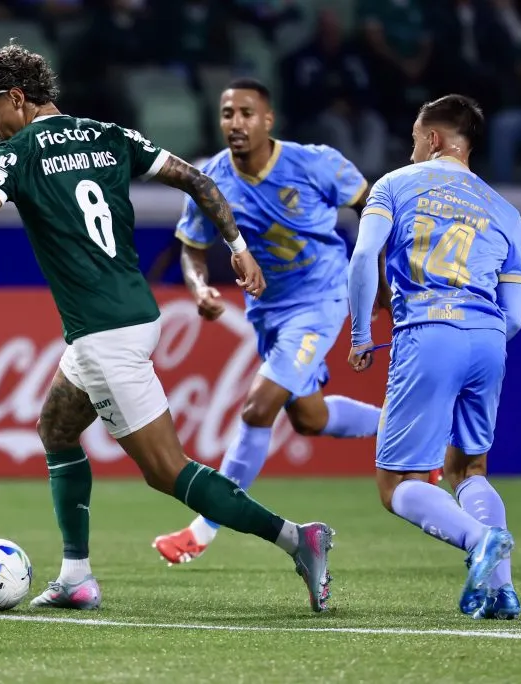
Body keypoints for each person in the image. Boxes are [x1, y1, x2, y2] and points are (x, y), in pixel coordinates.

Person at [0, 44, 336, 613]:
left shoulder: (18, 152)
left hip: (108, 335)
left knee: (167, 472)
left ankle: (299, 539)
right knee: (55, 428)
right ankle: (76, 576)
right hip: (122, 320)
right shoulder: (109, 135)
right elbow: (198, 180)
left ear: (18, 99)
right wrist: (238, 247)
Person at [152, 78, 394, 566]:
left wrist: (379, 285)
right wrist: (200, 289)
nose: (235, 123)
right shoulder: (210, 179)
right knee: (310, 418)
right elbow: (193, 250)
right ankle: (403, 426)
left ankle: (203, 529)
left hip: (322, 299)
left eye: (246, 113)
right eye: (227, 114)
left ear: (268, 120)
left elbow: (373, 207)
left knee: (256, 409)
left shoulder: (314, 163)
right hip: (267, 312)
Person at [348, 94, 521, 619]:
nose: (411, 148)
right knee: (469, 466)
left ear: (432, 139)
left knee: (397, 483)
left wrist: (361, 333)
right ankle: (501, 591)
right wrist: (478, 334)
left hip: (429, 329)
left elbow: (363, 257)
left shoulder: (395, 184)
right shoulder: (506, 210)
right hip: (489, 337)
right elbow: (514, 313)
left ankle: (477, 540)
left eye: (413, 138)